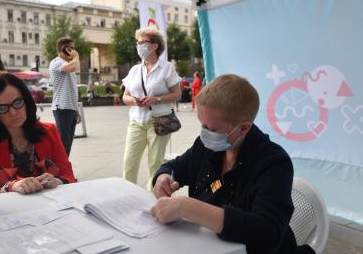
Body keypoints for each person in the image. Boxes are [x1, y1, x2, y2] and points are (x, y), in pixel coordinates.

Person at [151, 74, 315, 254]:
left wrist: (187, 207)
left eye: (212, 129)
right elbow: (174, 167)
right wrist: (163, 177)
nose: (204, 133)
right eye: (202, 125)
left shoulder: (273, 163)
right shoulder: (206, 147)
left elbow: (267, 232)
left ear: (244, 128)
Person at [0, 74, 76, 196]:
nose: (13, 112)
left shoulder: (49, 131)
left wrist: (58, 181)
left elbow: (68, 175)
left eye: (18, 102)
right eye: (2, 108)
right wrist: (10, 187)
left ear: (26, 101)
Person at [122, 27, 181, 190]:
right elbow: (124, 96)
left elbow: (177, 94)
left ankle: (151, 198)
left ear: (154, 46)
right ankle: (125, 194)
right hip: (136, 121)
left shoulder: (167, 68)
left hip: (159, 122)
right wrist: (133, 100)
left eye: (142, 42)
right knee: (129, 162)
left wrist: (157, 99)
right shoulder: (135, 70)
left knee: (155, 164)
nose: (138, 45)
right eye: (138, 42)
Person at [49, 37, 81, 157]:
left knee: (67, 144)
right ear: (64, 49)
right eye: (71, 48)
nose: (73, 51)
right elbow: (74, 67)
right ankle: (59, 172)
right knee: (63, 144)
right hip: (62, 108)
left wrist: (76, 110)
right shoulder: (56, 62)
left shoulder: (67, 64)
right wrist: (76, 57)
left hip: (70, 109)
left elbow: (71, 89)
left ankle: (64, 172)